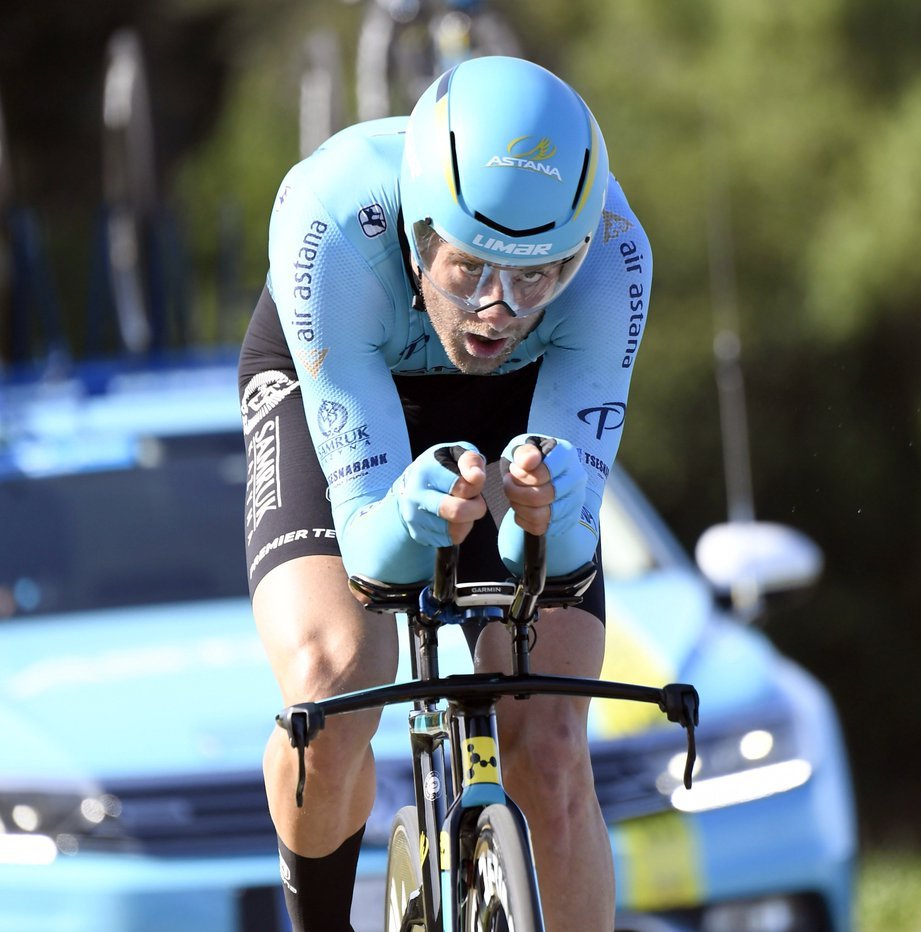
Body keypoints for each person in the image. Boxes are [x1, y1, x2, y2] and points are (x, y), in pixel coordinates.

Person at [238, 55, 651, 931]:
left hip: (514, 408)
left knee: (548, 737)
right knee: (335, 675)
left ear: (578, 250)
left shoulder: (615, 256)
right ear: (421, 227)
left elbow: (563, 564)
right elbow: (370, 554)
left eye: (538, 276)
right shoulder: (333, 217)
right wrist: (408, 515)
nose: (500, 309)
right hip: (352, 374)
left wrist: (544, 524)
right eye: (470, 269)